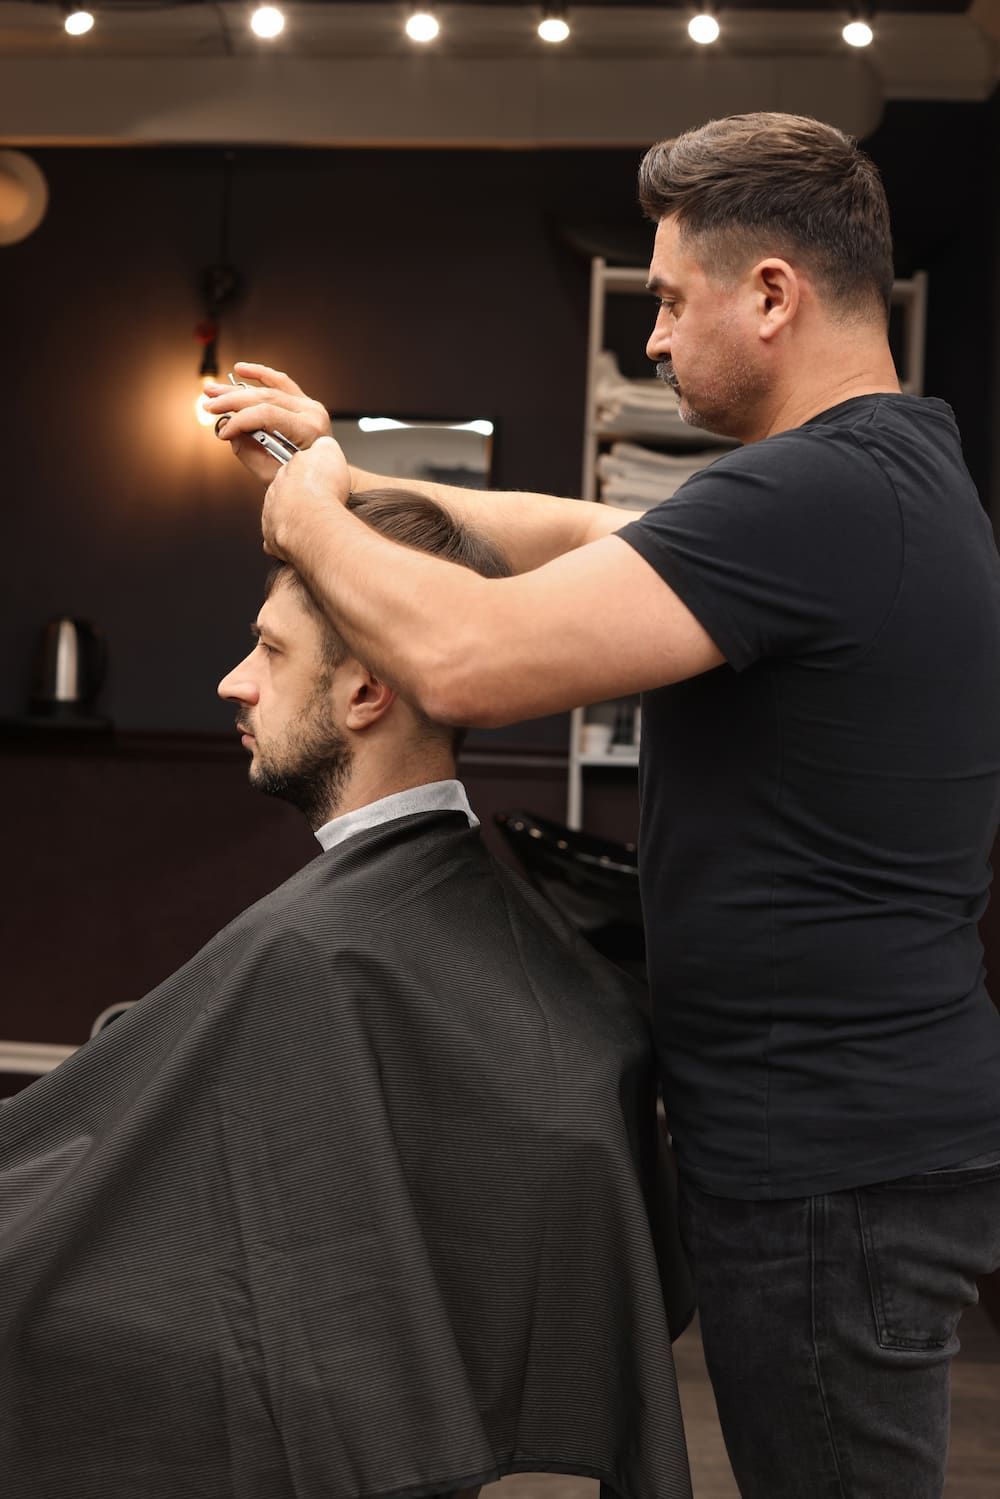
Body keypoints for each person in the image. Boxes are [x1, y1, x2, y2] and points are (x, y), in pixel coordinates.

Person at [206, 112, 1000, 1499]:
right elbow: (580, 532)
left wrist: (311, 525)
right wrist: (329, 463)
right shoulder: (873, 479)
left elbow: (465, 655)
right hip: (852, 1145)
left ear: (772, 295)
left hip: (831, 1166)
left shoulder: (822, 492)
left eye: (670, 302)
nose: (652, 340)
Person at [0, 489, 695, 1499]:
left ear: (367, 691)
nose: (233, 683)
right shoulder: (461, 915)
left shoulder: (323, 949)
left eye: (270, 653)